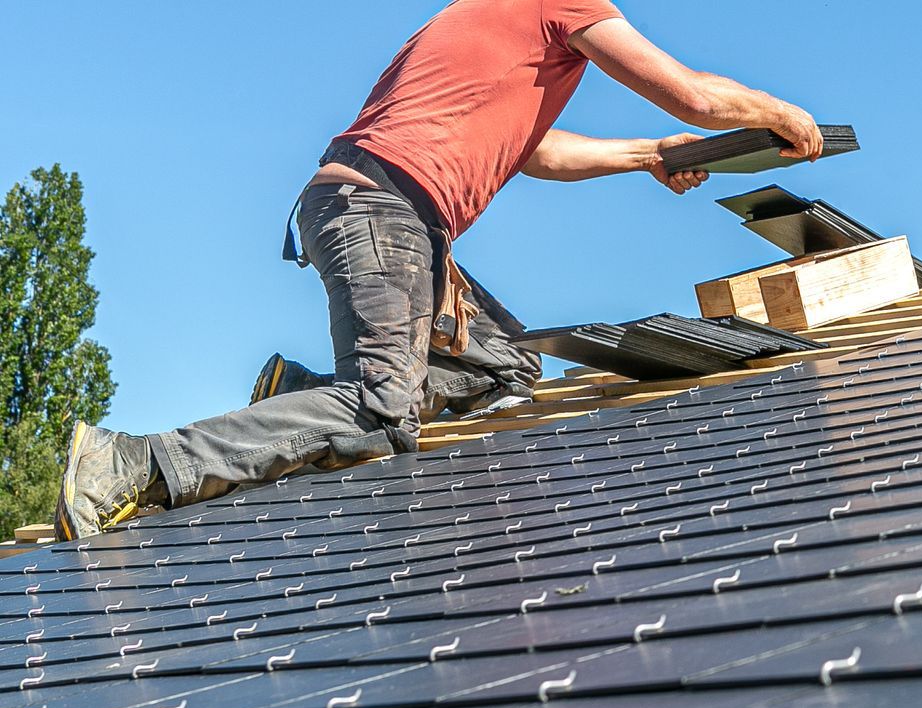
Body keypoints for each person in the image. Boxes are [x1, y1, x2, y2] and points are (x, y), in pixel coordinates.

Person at [53, 0, 823, 539]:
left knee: (503, 366)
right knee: (383, 412)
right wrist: (776, 112)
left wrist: (653, 156)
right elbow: (687, 92)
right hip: (381, 210)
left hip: (385, 214)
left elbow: (536, 152)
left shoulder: (481, 20)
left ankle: (296, 400)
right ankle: (132, 465)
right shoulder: (561, 1)